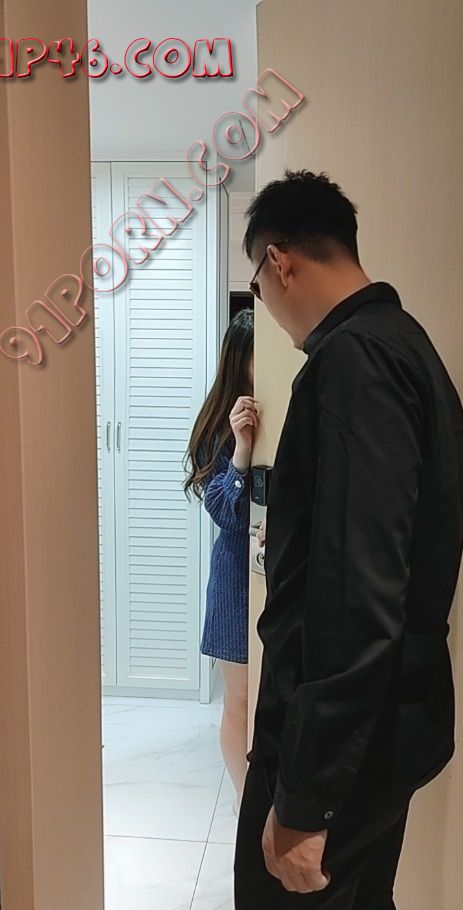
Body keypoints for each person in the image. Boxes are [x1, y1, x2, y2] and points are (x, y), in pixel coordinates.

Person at [233, 170, 463, 910]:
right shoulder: (407, 348)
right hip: (384, 730)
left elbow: (354, 594)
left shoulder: (353, 363)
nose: (268, 309)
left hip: (338, 747)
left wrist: (308, 798)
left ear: (278, 262)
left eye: (258, 289)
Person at [184, 309, 260, 815]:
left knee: (270, 699)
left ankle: (262, 798)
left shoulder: (284, 404)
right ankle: (243, 798)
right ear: (241, 359)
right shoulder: (223, 424)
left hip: (277, 574)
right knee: (239, 700)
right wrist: (242, 451)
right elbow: (226, 513)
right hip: (236, 579)